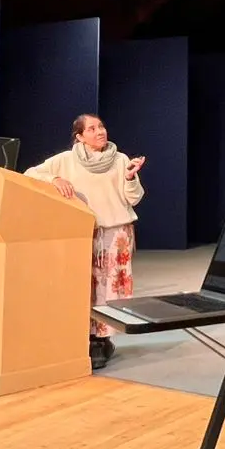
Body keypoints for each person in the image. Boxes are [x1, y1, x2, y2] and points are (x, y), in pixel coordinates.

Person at [23, 114, 145, 370]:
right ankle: (84, 334)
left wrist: (131, 178)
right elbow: (31, 173)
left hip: (115, 234)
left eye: (101, 126)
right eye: (92, 128)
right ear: (79, 136)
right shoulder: (65, 161)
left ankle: (102, 338)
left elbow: (133, 198)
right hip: (83, 234)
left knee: (109, 288)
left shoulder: (121, 159)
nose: (100, 131)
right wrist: (54, 179)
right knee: (84, 285)